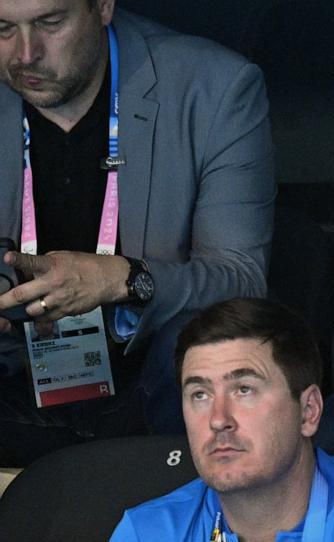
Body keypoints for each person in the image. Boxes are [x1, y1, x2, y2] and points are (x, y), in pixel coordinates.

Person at [0, 0, 274, 464]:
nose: (26, 54)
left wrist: (122, 278)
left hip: (152, 384)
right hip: (14, 373)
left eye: (50, 23)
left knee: (212, 337)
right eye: (3, 28)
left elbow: (241, 277)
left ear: (103, 6)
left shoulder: (214, 87)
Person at [105, 298, 334, 542]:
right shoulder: (146, 540)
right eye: (199, 394)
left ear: (309, 411)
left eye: (244, 390)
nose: (217, 418)